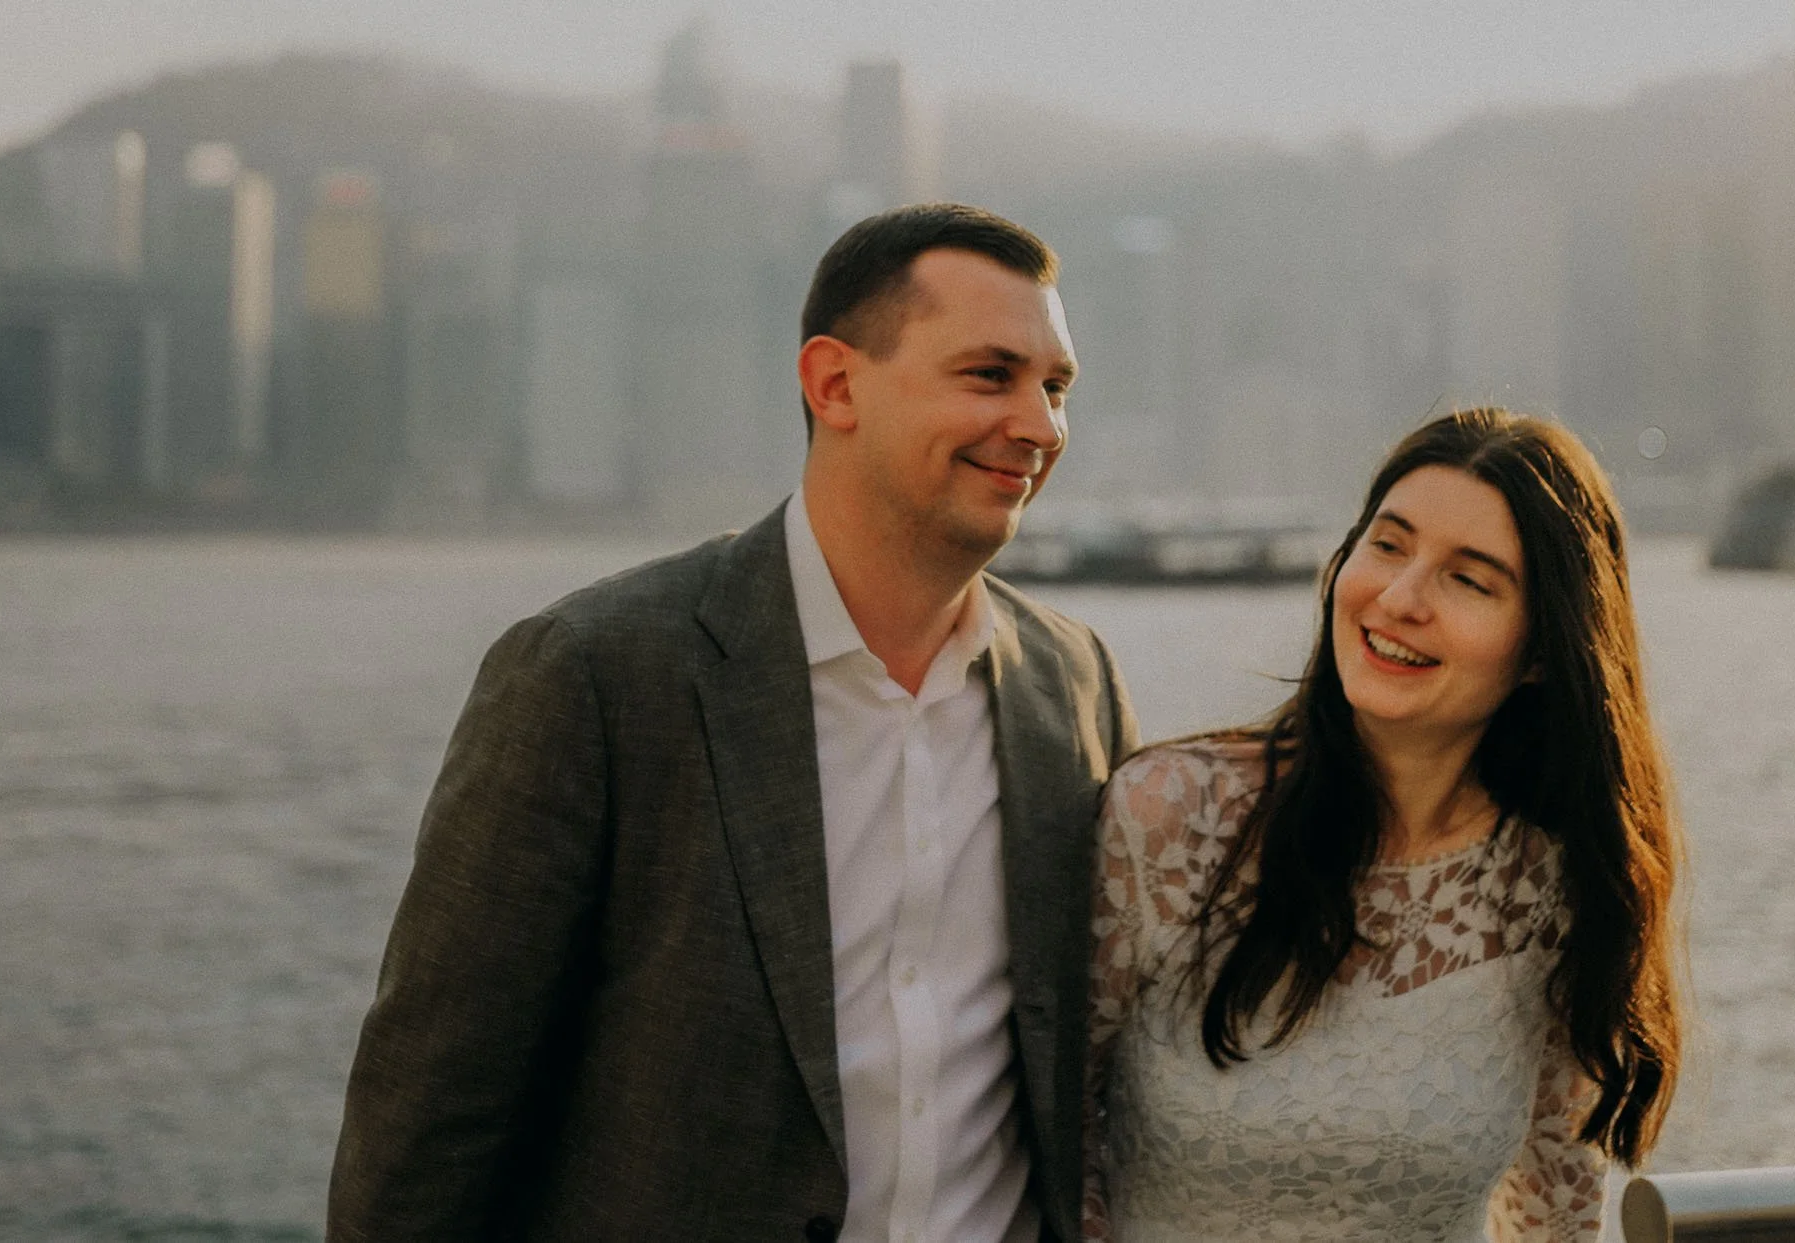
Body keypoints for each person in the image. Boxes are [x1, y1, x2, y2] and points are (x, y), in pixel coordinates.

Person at [329, 203, 1141, 1243]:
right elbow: (429, 1124)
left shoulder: (1074, 684)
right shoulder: (594, 674)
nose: (1041, 426)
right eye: (991, 376)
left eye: (1056, 387)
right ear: (834, 384)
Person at [1083, 408, 1682, 1242]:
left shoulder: (1547, 880)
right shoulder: (1167, 816)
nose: (1399, 599)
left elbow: (1556, 1206)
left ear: (1544, 651)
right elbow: (1049, 1137)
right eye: (1389, 545)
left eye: (1468, 580)